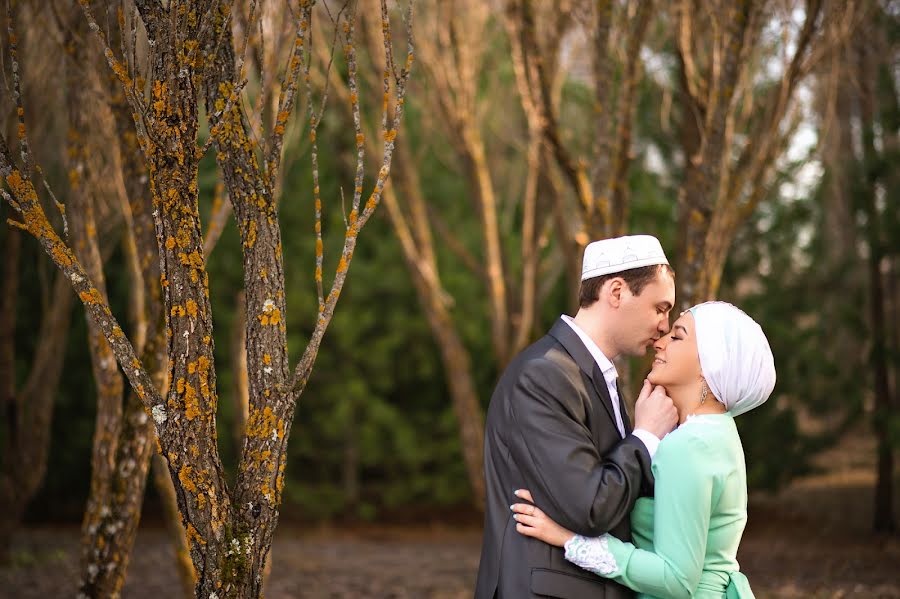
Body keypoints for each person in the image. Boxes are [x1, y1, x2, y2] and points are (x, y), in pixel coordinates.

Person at [510, 301, 777, 599]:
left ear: (710, 362)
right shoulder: (718, 431)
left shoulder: (688, 446)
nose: (659, 343)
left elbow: (675, 579)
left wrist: (569, 539)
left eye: (677, 336)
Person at [475, 235, 680, 599]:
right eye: (660, 308)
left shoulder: (591, 374)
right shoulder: (545, 374)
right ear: (616, 292)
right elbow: (590, 507)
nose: (664, 325)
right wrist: (646, 437)